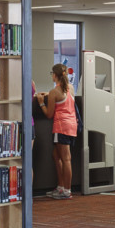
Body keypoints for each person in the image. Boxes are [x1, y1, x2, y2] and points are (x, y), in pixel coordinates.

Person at [36, 63, 77, 199]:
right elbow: (62, 95)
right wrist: (49, 94)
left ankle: (66, 191)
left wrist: (42, 102)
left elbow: (49, 114)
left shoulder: (54, 92)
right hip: (71, 126)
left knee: (66, 159)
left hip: (61, 127)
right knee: (56, 156)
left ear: (54, 75)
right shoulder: (70, 88)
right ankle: (60, 187)